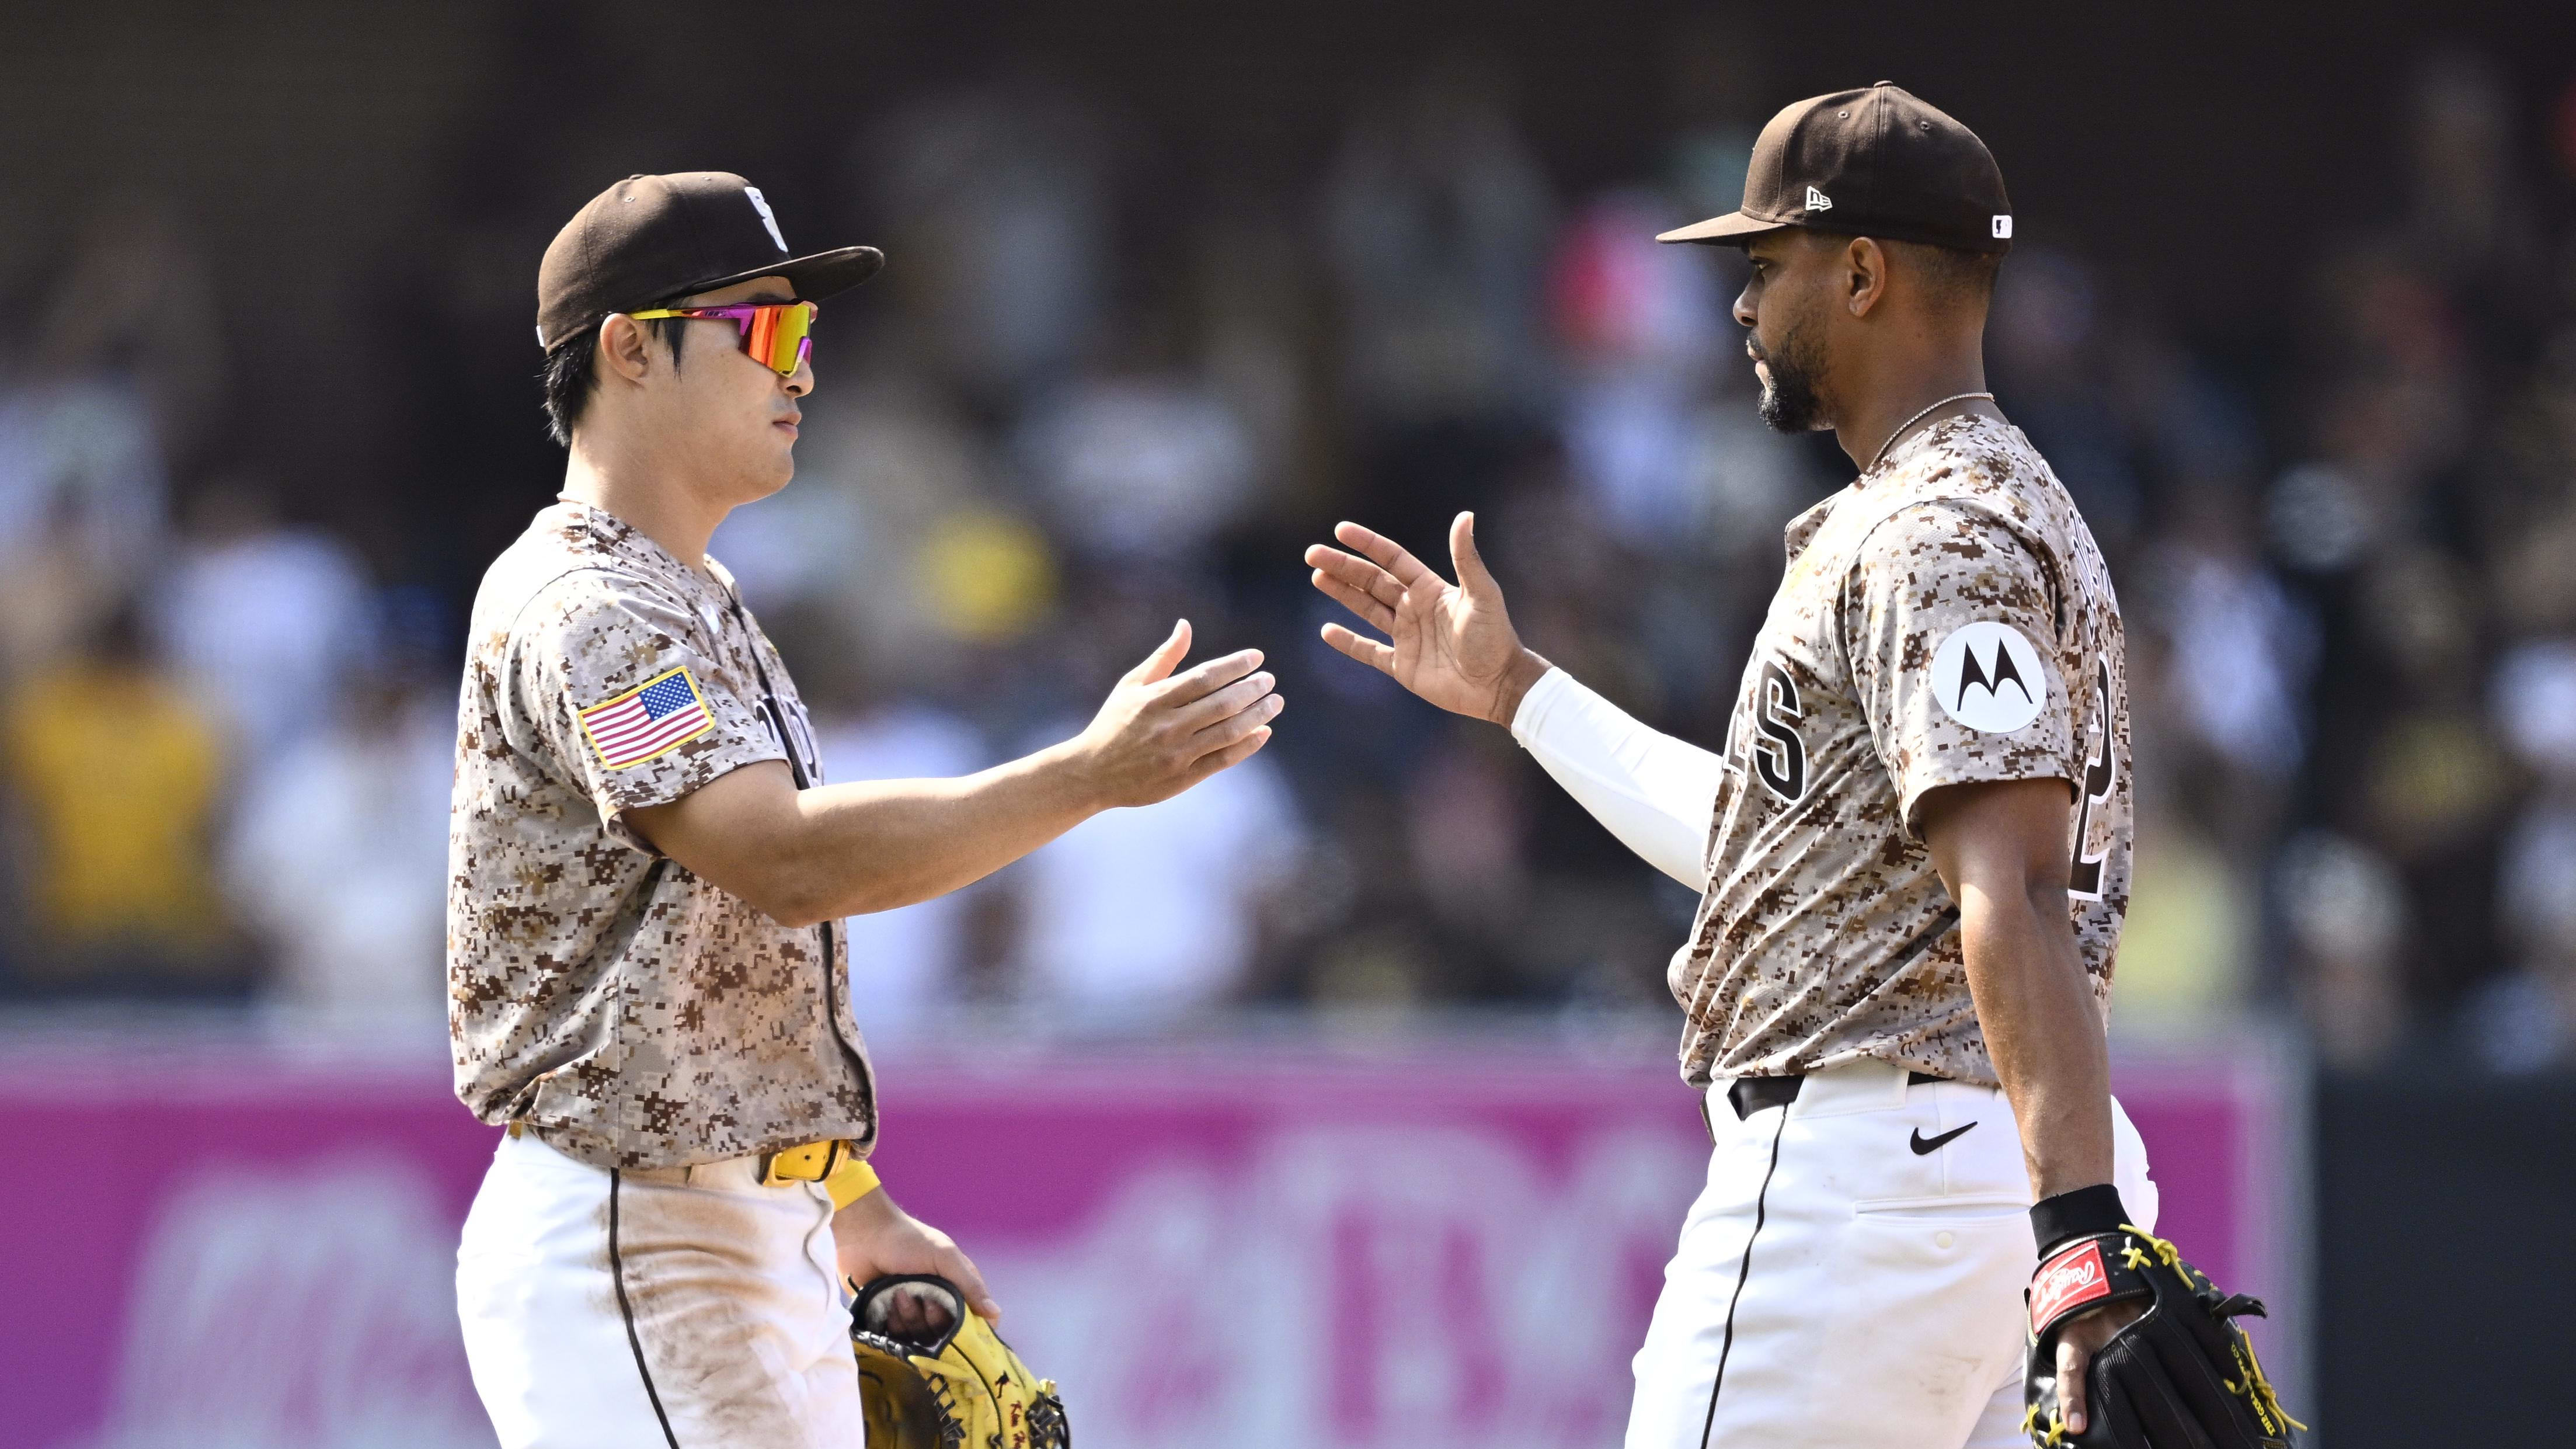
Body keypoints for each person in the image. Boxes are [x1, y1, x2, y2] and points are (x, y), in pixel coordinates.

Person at [1308, 86, 2156, 1447]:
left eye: (1767, 267)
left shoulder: (1938, 532)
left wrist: (2082, 1232)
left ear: (1863, 272)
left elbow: (2015, 886)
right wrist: (1521, 694)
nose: (1742, 307)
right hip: (1970, 1181)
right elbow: (1784, 857)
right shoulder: (1992, 505)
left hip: (1872, 1180)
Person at [448, 172, 1281, 1448]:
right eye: (765, 332)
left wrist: (846, 1197)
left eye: (809, 338)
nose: (803, 371)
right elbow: (777, 861)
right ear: (629, 348)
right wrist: (1086, 775)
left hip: (726, 1223)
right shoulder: (591, 607)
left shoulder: (689, 596)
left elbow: (716, 961)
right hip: (634, 1236)